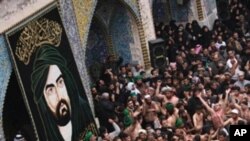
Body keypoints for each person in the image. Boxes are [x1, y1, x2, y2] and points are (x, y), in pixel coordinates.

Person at [31, 45, 97, 140]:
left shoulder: (83, 110)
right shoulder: (46, 134)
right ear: (44, 99)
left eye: (60, 82)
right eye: (51, 90)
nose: (59, 96)